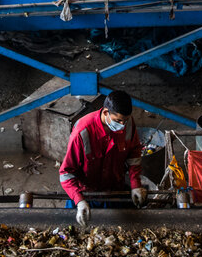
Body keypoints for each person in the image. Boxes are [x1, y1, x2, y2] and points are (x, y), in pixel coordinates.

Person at [58, 90, 147, 227]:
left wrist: (135, 184)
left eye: (125, 120)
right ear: (106, 113)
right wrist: (79, 200)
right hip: (86, 194)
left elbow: (134, 154)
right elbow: (66, 173)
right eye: (118, 121)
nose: (122, 125)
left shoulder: (127, 124)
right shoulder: (83, 132)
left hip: (114, 191)